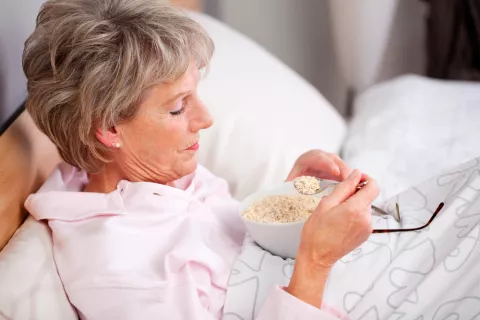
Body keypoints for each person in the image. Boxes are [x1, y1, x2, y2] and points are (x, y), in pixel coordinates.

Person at [23, 0, 379, 319]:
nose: (205, 119)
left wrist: (286, 201)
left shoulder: (160, 174)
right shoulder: (119, 271)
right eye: (178, 108)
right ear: (109, 129)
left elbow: (234, 260)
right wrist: (315, 261)